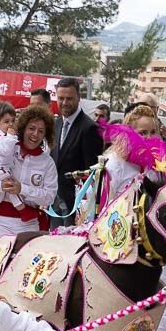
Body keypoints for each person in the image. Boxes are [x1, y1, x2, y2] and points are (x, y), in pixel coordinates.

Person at [0, 104, 58, 254]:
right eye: (31, 128)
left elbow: (49, 197)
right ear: (22, 128)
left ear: (46, 135)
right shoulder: (6, 148)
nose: (35, 134)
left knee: (22, 272)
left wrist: (23, 189)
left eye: (41, 131)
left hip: (28, 224)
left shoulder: (47, 162)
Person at [51, 78, 104, 228]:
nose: (65, 103)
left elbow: (92, 172)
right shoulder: (56, 124)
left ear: (79, 98)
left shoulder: (89, 128)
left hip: (76, 207)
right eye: (61, 98)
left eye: (69, 98)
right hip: (54, 201)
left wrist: (84, 208)